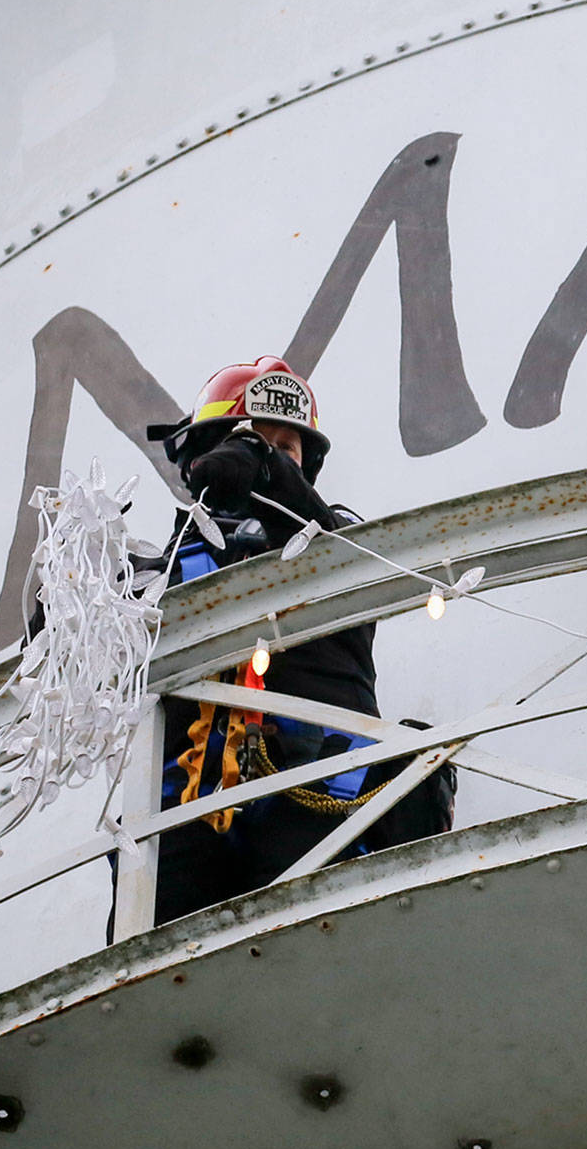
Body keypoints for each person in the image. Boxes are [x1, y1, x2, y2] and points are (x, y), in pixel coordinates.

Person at [131, 356, 455, 924]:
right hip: (181, 823)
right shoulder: (154, 578)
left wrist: (261, 467)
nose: (276, 454)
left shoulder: (340, 549)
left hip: (318, 800)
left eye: (289, 447)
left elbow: (337, 553)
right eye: (256, 439)